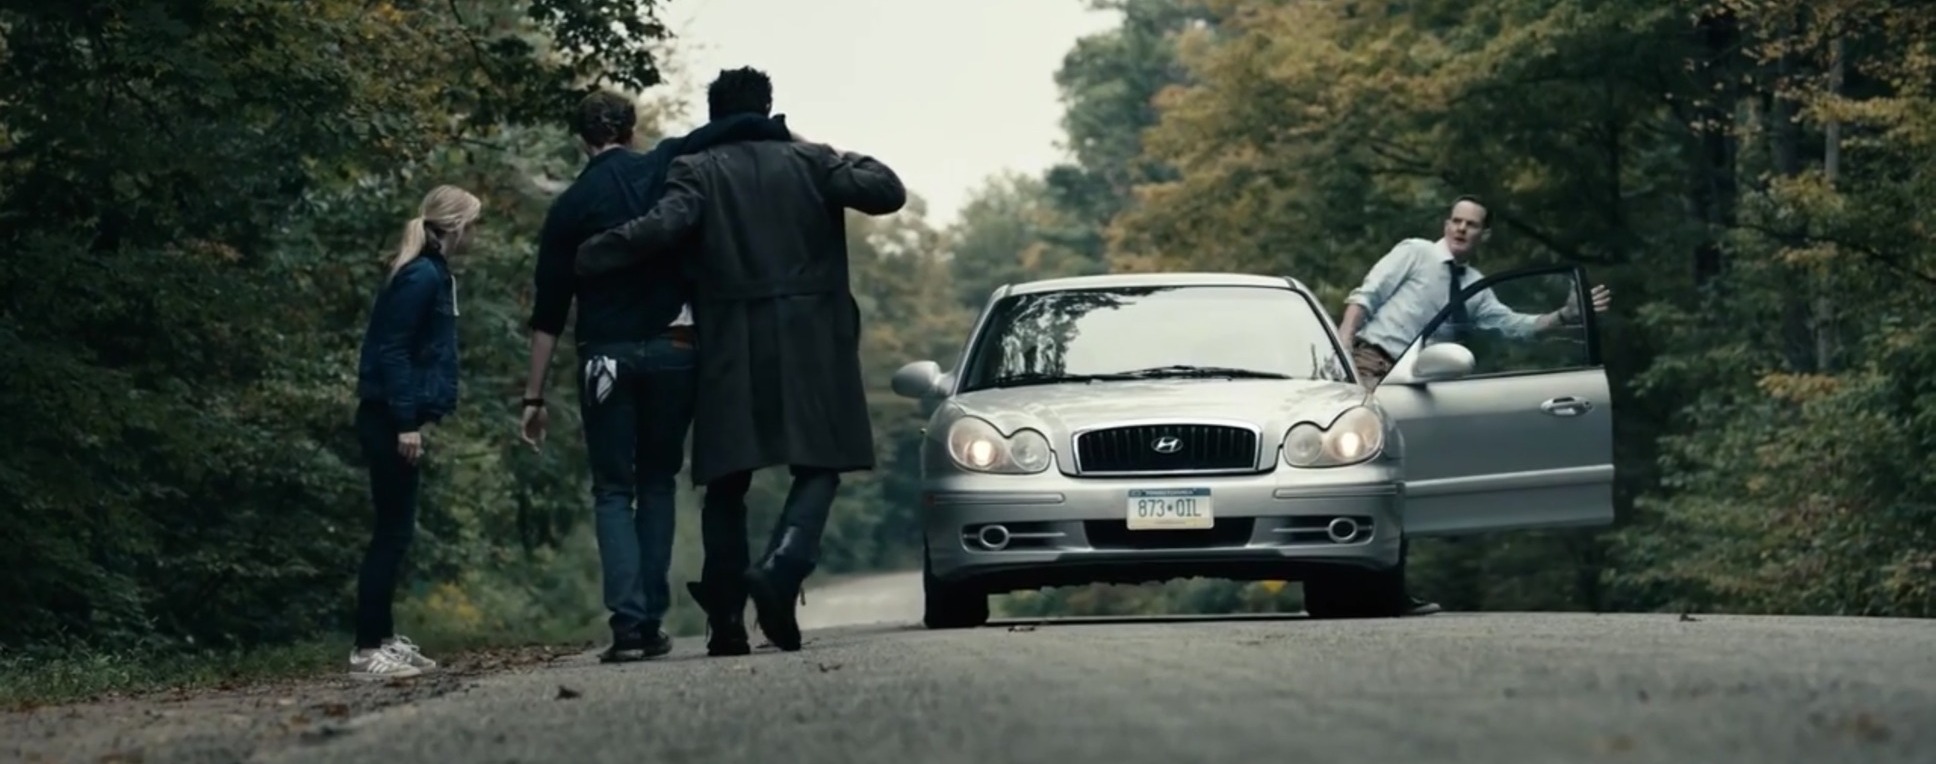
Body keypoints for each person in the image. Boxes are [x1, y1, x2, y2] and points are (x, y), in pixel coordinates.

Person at [575, 67, 906, 653]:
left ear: (712, 115)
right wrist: (805, 143)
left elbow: (666, 225)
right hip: (813, 335)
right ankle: (783, 565)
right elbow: (886, 190)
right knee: (820, 461)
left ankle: (726, 620)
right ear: (769, 108)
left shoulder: (695, 168)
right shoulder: (812, 162)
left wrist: (601, 250)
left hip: (730, 335)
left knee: (727, 477)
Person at [518, 90, 792, 662]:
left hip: (605, 359)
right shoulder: (665, 163)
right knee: (658, 481)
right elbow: (724, 129)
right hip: (675, 348)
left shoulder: (569, 207)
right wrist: (774, 127)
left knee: (613, 490)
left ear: (581, 138)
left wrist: (534, 396)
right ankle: (653, 619)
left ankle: (630, 626)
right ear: (633, 130)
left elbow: (548, 314)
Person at [1337, 194, 1612, 616]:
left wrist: (1564, 315)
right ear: (1446, 224)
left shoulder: (1473, 288)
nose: (1462, 229)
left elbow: (1514, 327)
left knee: (1398, 486)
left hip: (1415, 382)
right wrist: (1343, 351)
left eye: (1472, 224)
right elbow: (1365, 297)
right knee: (1357, 477)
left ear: (1484, 234)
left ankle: (1387, 591)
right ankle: (1336, 587)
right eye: (1456, 220)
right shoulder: (1415, 253)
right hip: (1369, 365)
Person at [348, 184, 480, 680]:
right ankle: (366, 650)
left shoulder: (432, 273)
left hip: (396, 417)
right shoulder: (422, 276)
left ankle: (382, 637)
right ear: (456, 227)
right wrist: (406, 422)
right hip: (388, 418)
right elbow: (394, 351)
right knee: (391, 534)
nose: (476, 235)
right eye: (474, 224)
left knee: (396, 531)